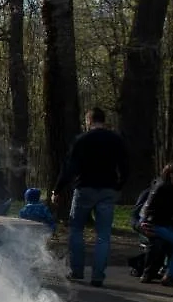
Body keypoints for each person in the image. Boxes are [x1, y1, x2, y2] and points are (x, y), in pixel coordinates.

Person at [51, 107, 129, 287]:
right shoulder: (116, 140)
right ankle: (98, 276)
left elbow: (69, 167)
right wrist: (119, 185)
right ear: (104, 120)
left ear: (89, 121)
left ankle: (77, 271)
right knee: (103, 235)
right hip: (108, 189)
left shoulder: (81, 140)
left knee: (77, 229)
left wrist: (58, 189)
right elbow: (125, 166)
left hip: (85, 187)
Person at [140, 163, 173, 287]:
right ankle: (170, 275)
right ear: (172, 176)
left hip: (165, 225)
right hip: (155, 225)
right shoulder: (164, 189)